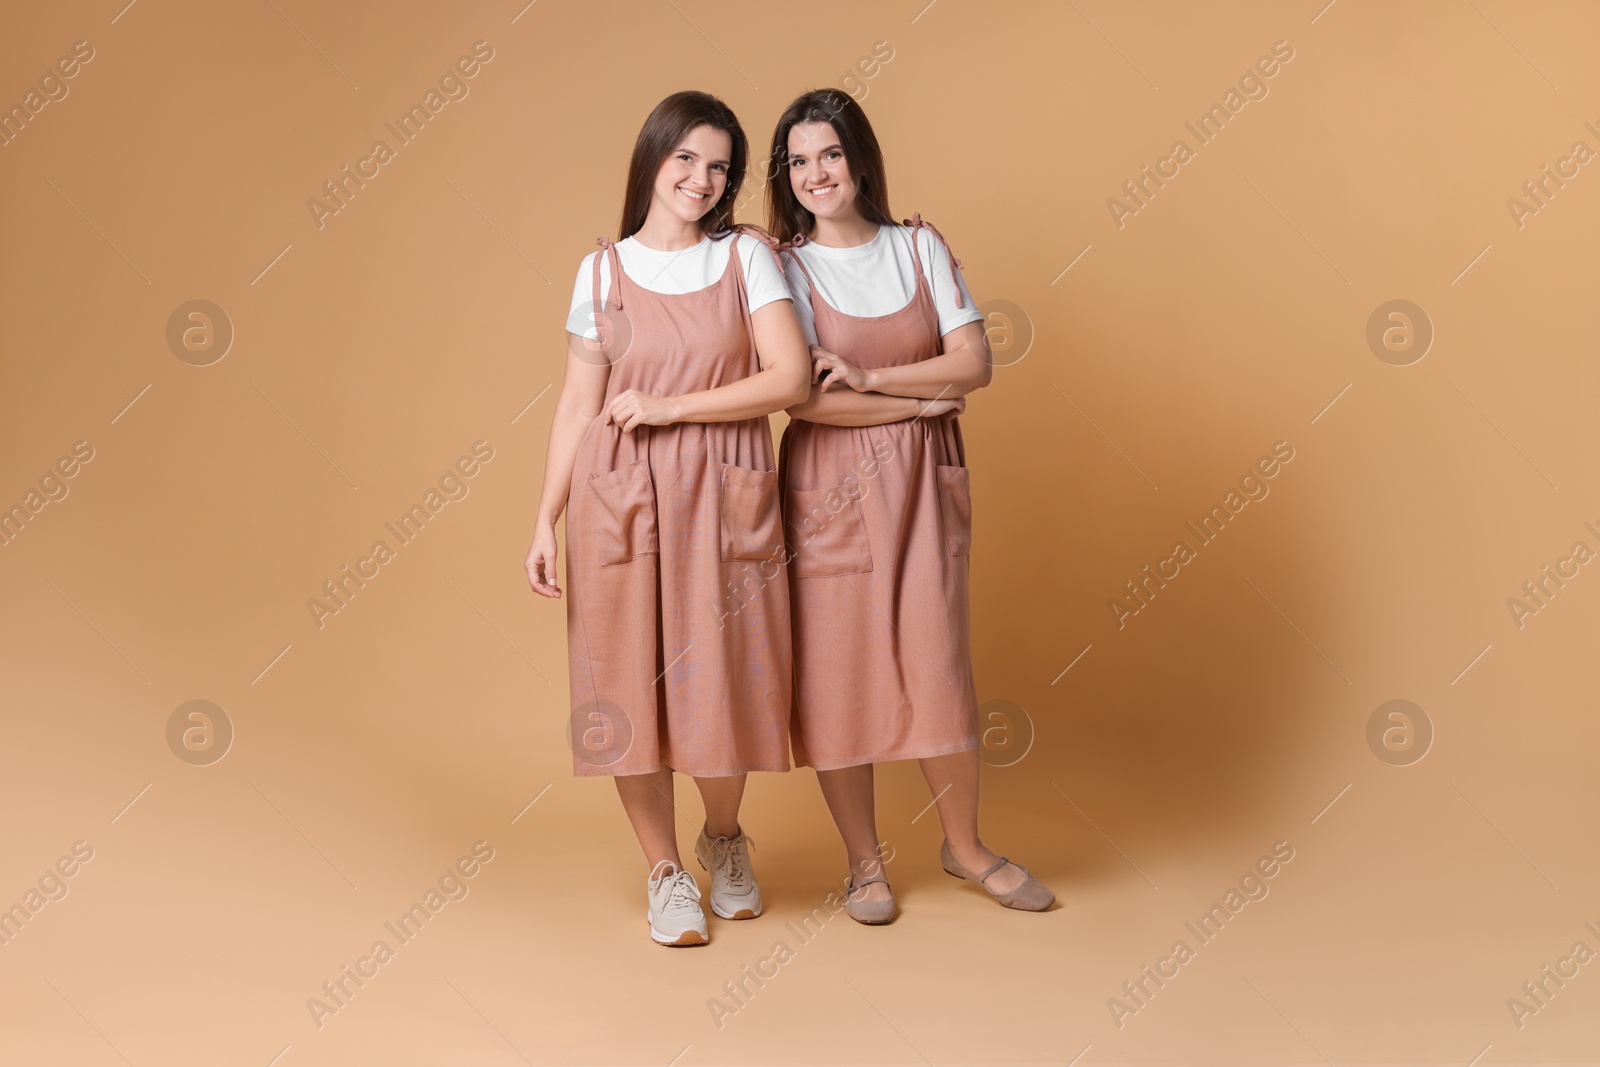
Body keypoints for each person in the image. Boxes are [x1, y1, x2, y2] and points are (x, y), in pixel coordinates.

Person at [525, 90, 811, 946]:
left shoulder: (747, 260)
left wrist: (675, 408)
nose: (702, 178)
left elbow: (789, 378)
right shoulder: (600, 272)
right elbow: (578, 405)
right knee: (624, 683)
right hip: (620, 500)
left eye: (719, 166)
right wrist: (545, 518)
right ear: (654, 157)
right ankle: (664, 869)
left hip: (723, 492)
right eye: (687, 157)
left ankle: (723, 836)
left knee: (724, 680)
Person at [766, 89, 1054, 923]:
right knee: (836, 673)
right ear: (787, 177)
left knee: (939, 666)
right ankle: (865, 864)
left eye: (829, 153)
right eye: (799, 160)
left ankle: (964, 848)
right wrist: (921, 404)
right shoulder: (783, 266)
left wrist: (874, 378)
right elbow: (807, 405)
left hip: (924, 487)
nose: (816, 173)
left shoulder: (920, 246)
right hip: (828, 491)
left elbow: (975, 362)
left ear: (859, 157)